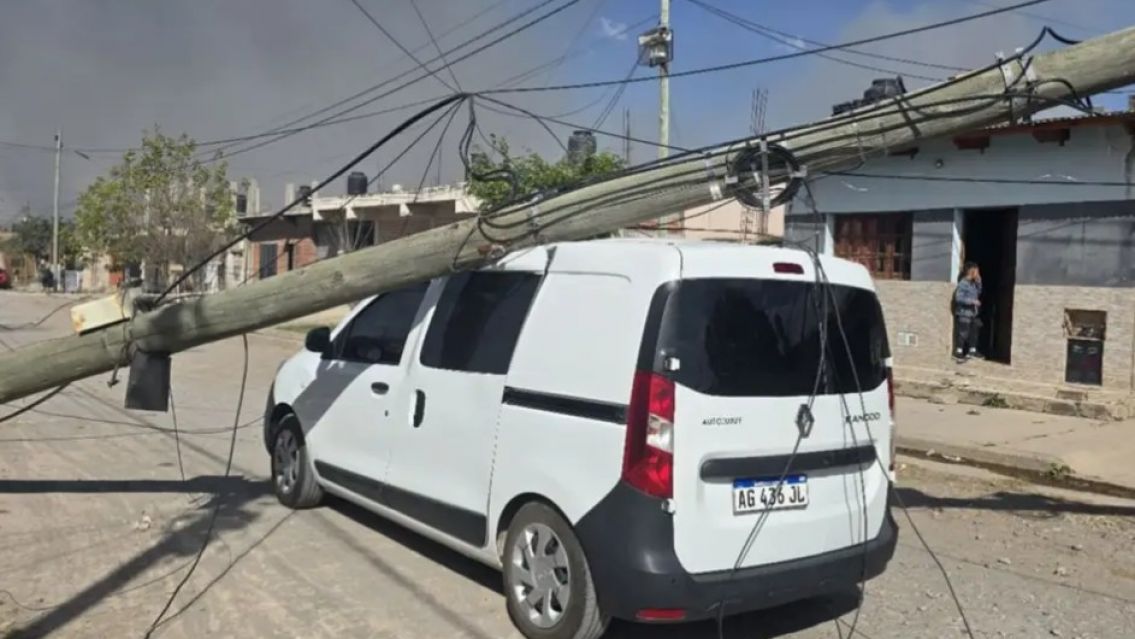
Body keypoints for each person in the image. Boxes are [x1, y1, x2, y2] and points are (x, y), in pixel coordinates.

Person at [953, 261, 982, 362]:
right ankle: (958, 352)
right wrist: (972, 301)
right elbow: (958, 298)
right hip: (964, 312)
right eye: (977, 271)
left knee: (974, 331)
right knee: (963, 333)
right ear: (971, 271)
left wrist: (979, 282)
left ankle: (972, 351)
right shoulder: (963, 283)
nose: (978, 273)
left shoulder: (973, 283)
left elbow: (979, 292)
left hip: (973, 313)